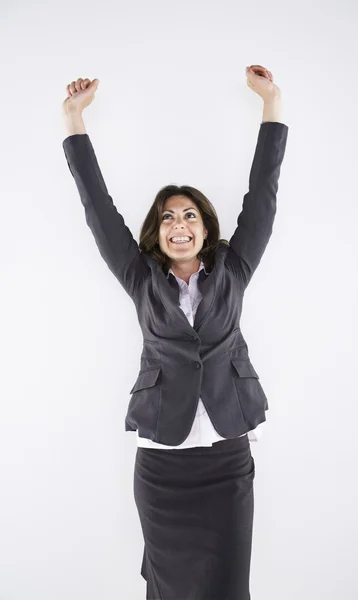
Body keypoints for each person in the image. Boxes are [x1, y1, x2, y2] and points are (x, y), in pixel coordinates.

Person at [62, 65, 289, 599]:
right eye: (168, 218)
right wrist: (73, 119)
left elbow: (264, 193)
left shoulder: (234, 269)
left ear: (206, 228)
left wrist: (271, 103)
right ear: (157, 231)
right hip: (162, 466)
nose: (179, 224)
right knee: (170, 588)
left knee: (229, 586)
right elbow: (98, 208)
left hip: (226, 456)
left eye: (190, 215)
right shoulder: (138, 276)